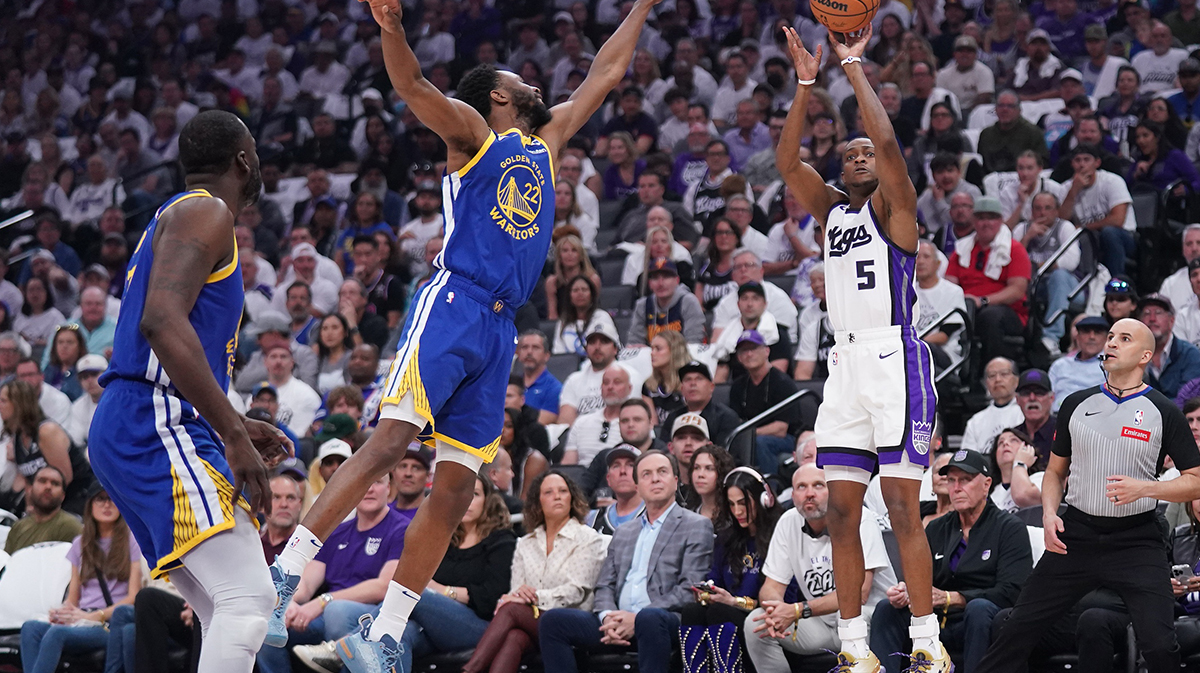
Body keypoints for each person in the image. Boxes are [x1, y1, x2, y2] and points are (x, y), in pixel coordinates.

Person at [270, 4, 661, 668]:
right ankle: (283, 574)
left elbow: (606, 70)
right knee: (391, 440)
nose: (539, 84)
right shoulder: (478, 133)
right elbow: (415, 88)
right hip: (454, 302)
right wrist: (392, 30)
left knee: (454, 488)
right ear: (500, 95)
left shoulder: (549, 139)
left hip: (501, 325)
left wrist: (644, 5)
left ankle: (388, 630)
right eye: (522, 80)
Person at [87, 111, 292, 673]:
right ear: (242, 160)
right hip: (155, 418)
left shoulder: (179, 217)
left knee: (227, 607)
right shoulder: (206, 211)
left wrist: (232, 418)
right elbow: (160, 321)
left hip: (146, 418)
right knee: (249, 602)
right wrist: (230, 431)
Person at [778, 27, 947, 670]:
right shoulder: (831, 214)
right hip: (843, 364)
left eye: (863, 152)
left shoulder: (896, 210)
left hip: (893, 359)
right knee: (842, 509)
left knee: (903, 506)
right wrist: (803, 84)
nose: (856, 154)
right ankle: (854, 649)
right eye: (846, 150)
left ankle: (927, 641)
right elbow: (789, 160)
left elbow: (887, 143)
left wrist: (851, 66)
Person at [976, 318, 1200, 673]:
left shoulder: (1164, 411)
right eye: (1110, 336)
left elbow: (1196, 480)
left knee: (1159, 646)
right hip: (1075, 534)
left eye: (1123, 339)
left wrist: (1147, 488)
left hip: (1137, 539)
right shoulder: (1076, 404)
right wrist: (1050, 513)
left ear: (1145, 355)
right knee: (1014, 628)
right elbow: (1054, 472)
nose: (1111, 343)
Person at [539, 451, 714, 673]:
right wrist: (608, 618)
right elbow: (604, 586)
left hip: (661, 619)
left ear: (676, 481)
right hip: (616, 620)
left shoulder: (696, 525)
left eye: (662, 472)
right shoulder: (623, 532)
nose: (655, 479)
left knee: (650, 619)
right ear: (638, 486)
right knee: (553, 621)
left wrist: (637, 618)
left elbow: (690, 589)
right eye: (646, 474)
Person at [871, 449, 1033, 673]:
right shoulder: (937, 528)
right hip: (936, 621)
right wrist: (907, 591)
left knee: (979, 609)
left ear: (986, 484)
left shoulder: (1009, 528)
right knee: (886, 609)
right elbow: (922, 577)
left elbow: (1012, 592)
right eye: (951, 481)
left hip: (979, 621)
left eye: (965, 480)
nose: (957, 488)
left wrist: (953, 598)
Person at [744, 463, 896, 670]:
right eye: (801, 487)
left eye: (818, 486)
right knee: (757, 623)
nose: (809, 494)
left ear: (833, 491)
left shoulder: (861, 519)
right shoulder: (788, 522)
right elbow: (771, 586)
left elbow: (859, 593)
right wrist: (777, 611)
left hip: (867, 618)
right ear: (793, 494)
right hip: (820, 622)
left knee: (858, 616)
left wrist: (798, 609)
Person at [257, 473, 409, 673]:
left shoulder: (402, 528)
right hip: (325, 615)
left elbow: (385, 586)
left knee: (338, 611)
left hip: (370, 614)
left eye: (377, 483)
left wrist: (323, 601)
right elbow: (307, 583)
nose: (370, 489)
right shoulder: (337, 531)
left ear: (389, 489)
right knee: (267, 627)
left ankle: (339, 652)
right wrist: (289, 603)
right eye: (365, 482)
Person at [462, 471, 609, 673]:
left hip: (573, 620)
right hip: (533, 621)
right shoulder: (525, 544)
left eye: (563, 491)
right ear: (537, 502)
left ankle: (470, 669)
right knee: (515, 636)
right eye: (548, 492)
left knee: (511, 611)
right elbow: (517, 591)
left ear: (571, 498)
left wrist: (534, 597)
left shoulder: (587, 538)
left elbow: (576, 592)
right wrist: (516, 598)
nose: (557, 496)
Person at [19, 487, 141, 673]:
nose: (107, 504)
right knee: (30, 628)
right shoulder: (80, 543)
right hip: (81, 618)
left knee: (56, 634)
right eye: (100, 499)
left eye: (112, 498)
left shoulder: (132, 540)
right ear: (90, 504)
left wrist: (95, 616)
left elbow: (133, 597)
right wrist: (62, 613)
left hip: (107, 624)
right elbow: (73, 598)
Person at [683, 467, 785, 673]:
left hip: (763, 617)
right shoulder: (727, 538)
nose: (737, 511)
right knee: (692, 611)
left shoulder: (780, 534)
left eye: (743, 503)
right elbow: (714, 578)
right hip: (726, 611)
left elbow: (785, 597)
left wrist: (734, 602)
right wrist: (708, 592)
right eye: (732, 504)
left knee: (719, 612)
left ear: (764, 499)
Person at [3, 379, 95, 516]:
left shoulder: (46, 432)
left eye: (3, 401)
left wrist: (42, 512)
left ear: (18, 404)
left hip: (79, 498)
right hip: (48, 503)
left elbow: (64, 479)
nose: (0, 405)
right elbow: (27, 483)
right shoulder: (17, 436)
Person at [729, 329, 801, 476]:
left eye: (754, 349)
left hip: (787, 439)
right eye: (744, 351)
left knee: (760, 443)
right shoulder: (738, 386)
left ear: (767, 351)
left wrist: (748, 434)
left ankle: (769, 485)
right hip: (751, 437)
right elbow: (735, 419)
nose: (749, 354)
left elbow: (781, 429)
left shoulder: (782, 382)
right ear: (739, 357)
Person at [1060, 144, 1137, 277]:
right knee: (1080, 236)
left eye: (1086, 160)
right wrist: (1073, 192)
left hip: (1124, 236)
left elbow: (1117, 220)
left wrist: (1082, 227)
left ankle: (1115, 282)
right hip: (1089, 237)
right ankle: (1085, 282)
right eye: (1077, 160)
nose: (1082, 165)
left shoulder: (1112, 181)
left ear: (1097, 162)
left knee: (1108, 233)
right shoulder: (1066, 188)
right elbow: (1060, 222)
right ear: (1072, 164)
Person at [563, 364, 633, 467]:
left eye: (617, 382)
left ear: (629, 388)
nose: (610, 387)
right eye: (606, 383)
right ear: (601, 388)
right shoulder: (582, 422)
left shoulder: (637, 423)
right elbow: (568, 466)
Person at [3, 465, 82, 554]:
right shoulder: (18, 527)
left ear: (63, 496)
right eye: (42, 481)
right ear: (30, 489)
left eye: (55, 483)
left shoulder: (71, 526)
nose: (48, 486)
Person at [628, 258, 706, 346]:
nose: (660, 283)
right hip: (652, 357)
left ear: (677, 280)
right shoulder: (642, 305)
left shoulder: (688, 302)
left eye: (666, 277)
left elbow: (694, 343)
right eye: (655, 278)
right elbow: (633, 344)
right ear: (650, 283)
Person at [663, 361, 743, 447]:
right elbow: (663, 448)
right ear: (682, 389)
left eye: (699, 379)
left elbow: (725, 454)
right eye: (688, 379)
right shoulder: (673, 418)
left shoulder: (726, 417)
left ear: (711, 387)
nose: (693, 384)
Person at [1139, 293, 1200, 399]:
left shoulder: (1190, 354)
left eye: (1158, 313)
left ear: (1171, 321)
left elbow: (1188, 400)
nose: (1152, 319)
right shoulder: (1133, 356)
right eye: (1146, 313)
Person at [961, 358, 1025, 453]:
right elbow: (968, 458)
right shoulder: (976, 421)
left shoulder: (1025, 413)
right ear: (985, 383)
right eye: (992, 376)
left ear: (1017, 380)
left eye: (1004, 374)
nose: (998, 379)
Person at [1049, 316, 1108, 409]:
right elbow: (1047, 396)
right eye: (1086, 332)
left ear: (1106, 338)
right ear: (1077, 337)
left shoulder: (1110, 366)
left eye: (1097, 333)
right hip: (1058, 416)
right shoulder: (1060, 365)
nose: (1091, 337)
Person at [988, 428, 1045, 512]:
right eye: (1000, 443)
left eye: (1013, 440)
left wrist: (1020, 463)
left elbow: (1022, 495)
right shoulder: (991, 495)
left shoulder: (1041, 478)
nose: (1005, 443)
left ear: (1028, 449)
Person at [642, 331, 689, 427]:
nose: (652, 353)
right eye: (652, 348)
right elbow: (652, 426)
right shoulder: (649, 386)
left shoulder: (689, 382)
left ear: (674, 351)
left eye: (658, 349)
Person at [515, 331, 561, 424]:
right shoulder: (510, 384)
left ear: (546, 356)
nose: (529, 352)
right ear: (518, 355)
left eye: (535, 347)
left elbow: (541, 423)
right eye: (525, 347)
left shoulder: (555, 388)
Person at [66, 354, 107, 447]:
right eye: (84, 377)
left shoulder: (120, 401)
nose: (89, 380)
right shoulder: (78, 406)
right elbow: (76, 439)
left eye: (94, 374)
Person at [686, 444, 735, 522]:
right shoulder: (686, 516)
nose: (700, 474)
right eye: (696, 468)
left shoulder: (734, 516)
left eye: (709, 469)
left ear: (722, 473)